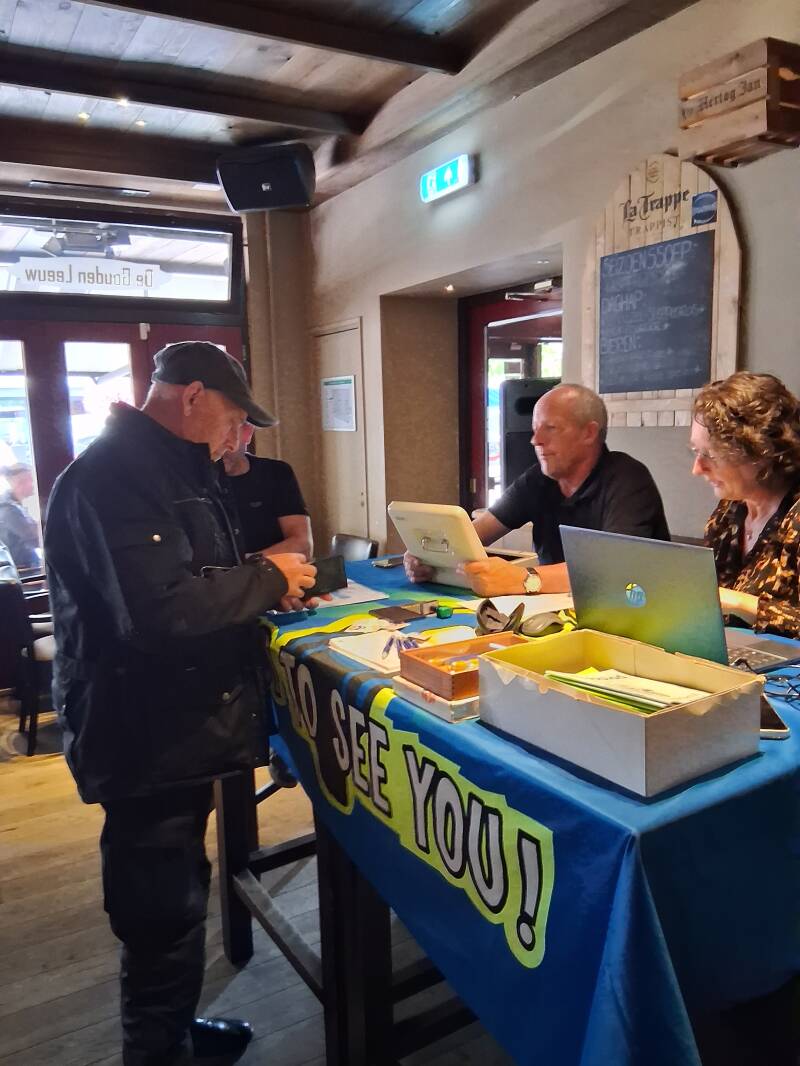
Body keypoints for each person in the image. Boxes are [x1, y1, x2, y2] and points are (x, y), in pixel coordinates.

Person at [44, 341, 318, 1066]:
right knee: (159, 908)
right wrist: (269, 576)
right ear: (192, 396)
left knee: (180, 890)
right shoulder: (113, 476)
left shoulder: (166, 469)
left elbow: (193, 575)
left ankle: (174, 1032)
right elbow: (158, 611)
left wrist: (257, 578)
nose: (236, 436)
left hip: (175, 725)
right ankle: (156, 1053)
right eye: (232, 418)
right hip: (143, 733)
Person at [405, 383, 670, 596]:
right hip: (556, 613)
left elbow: (612, 568)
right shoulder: (538, 479)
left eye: (550, 429)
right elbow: (474, 535)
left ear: (589, 433)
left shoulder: (628, 480)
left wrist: (524, 578)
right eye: (535, 429)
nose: (536, 440)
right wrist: (428, 557)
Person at [691, 371, 800, 638]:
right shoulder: (729, 513)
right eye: (696, 451)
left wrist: (740, 603)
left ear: (760, 452)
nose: (697, 468)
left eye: (711, 455)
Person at [222, 422, 312, 557]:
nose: (219, 446)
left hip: (270, 568)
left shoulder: (276, 473)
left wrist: (248, 565)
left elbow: (303, 545)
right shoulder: (194, 481)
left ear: (247, 433)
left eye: (226, 432)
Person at [0, 462, 41, 571]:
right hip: (22, 570)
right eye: (31, 480)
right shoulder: (9, 510)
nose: (34, 484)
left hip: (27, 565)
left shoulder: (15, 505)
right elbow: (36, 538)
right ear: (20, 483)